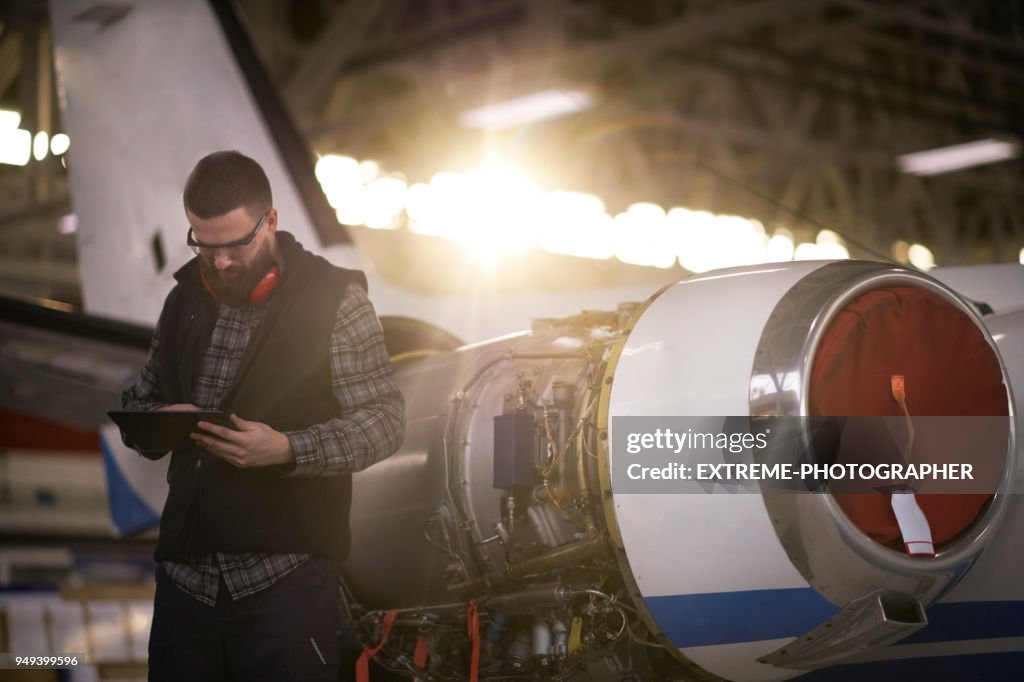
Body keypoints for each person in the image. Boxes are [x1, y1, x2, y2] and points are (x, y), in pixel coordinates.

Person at [120, 150, 405, 681]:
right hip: (185, 588)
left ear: (270, 221)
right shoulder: (181, 302)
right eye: (204, 245)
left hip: (284, 588)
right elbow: (141, 400)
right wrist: (160, 417)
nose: (220, 262)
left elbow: (385, 421)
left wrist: (289, 449)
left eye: (234, 245)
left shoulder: (336, 301)